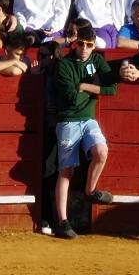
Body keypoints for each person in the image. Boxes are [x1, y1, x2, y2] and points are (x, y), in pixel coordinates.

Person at [52, 25, 117, 239]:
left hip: (88, 119)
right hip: (68, 121)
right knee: (67, 170)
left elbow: (111, 89)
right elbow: (71, 98)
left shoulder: (96, 61)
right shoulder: (64, 65)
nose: (85, 49)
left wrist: (85, 87)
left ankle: (90, 191)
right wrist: (88, 89)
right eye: (81, 44)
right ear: (75, 43)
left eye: (89, 45)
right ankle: (62, 221)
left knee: (101, 151)